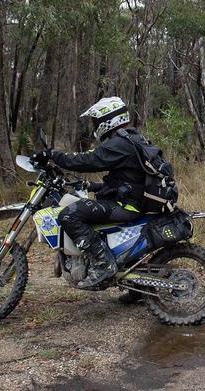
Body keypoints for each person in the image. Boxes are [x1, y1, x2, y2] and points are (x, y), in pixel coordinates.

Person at [31, 97, 157, 289]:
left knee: (69, 214)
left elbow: (88, 160)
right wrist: (91, 186)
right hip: (131, 201)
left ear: (107, 120)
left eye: (96, 121)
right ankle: (132, 285)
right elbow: (126, 181)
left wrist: (52, 154)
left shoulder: (120, 143)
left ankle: (104, 264)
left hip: (127, 206)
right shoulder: (130, 139)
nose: (95, 125)